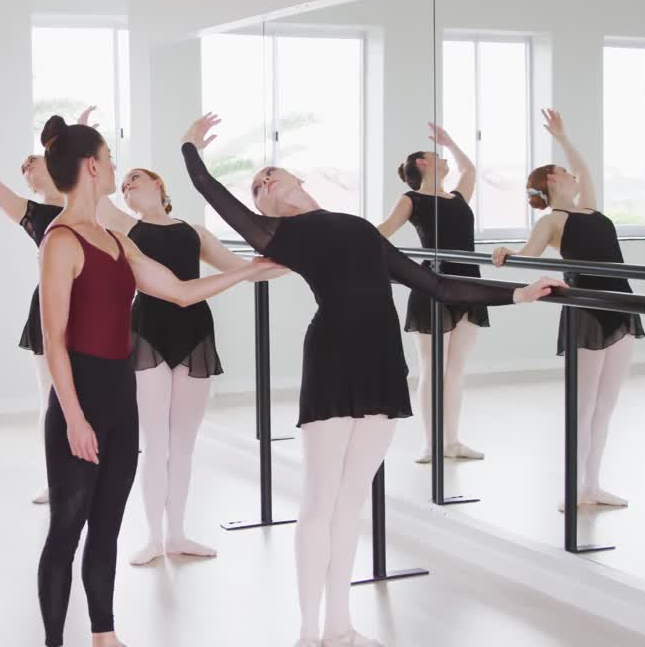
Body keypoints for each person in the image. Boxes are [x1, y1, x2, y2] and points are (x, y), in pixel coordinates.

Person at [180, 113, 561, 647]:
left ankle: (341, 626)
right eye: (257, 185)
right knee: (319, 500)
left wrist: (518, 294)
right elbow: (209, 189)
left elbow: (437, 285)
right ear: (262, 207)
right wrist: (191, 147)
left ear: (298, 180)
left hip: (382, 360)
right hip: (333, 356)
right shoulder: (280, 233)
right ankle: (309, 633)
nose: (265, 181)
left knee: (352, 501)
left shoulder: (359, 227)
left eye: (271, 172)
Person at [35, 115, 278, 647]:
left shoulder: (118, 240)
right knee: (66, 533)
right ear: (92, 167)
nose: (118, 169)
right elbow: (54, 339)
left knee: (106, 529)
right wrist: (74, 417)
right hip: (82, 408)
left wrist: (249, 271)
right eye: (111, 160)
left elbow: (180, 291)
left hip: (121, 403)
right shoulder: (61, 242)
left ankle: (105, 635)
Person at [97, 166, 264, 565]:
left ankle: (177, 534)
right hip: (147, 330)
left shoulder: (195, 231)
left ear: (159, 183)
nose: (128, 185)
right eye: (124, 184)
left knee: (183, 444)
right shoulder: (123, 224)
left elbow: (241, 269)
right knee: (154, 443)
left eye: (136, 178)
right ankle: (153, 536)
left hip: (194, 332)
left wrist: (298, 259)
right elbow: (95, 192)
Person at [492, 109, 645, 509]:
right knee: (583, 406)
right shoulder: (551, 220)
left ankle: (592, 484)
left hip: (622, 305)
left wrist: (563, 137)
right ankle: (572, 487)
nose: (576, 176)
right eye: (566, 172)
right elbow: (528, 256)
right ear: (553, 180)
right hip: (587, 310)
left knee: (606, 406)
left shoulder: (590, 208)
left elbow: (585, 169)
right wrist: (507, 253)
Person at [379, 123, 486, 463]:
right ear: (422, 164)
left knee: (455, 369)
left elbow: (470, 170)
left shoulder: (457, 198)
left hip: (469, 284)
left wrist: (450, 141)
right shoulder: (411, 199)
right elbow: (384, 231)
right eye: (436, 155)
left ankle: (451, 441)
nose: (443, 158)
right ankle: (431, 443)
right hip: (434, 284)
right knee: (431, 367)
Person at [0, 121, 63, 505]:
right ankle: (56, 480)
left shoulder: (90, 206)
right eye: (23, 168)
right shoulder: (35, 214)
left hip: (92, 308)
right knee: (51, 399)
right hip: (49, 309)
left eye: (34, 160)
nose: (27, 166)